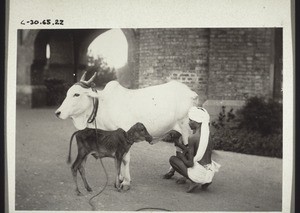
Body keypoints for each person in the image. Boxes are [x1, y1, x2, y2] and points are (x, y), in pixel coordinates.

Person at [169, 106, 220, 193]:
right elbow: (197, 151)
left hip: (199, 174)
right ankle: (206, 182)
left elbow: (190, 163)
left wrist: (181, 156)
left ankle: (194, 181)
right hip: (209, 172)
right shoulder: (207, 135)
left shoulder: (192, 137)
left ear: (197, 122)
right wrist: (179, 145)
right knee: (186, 154)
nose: (189, 123)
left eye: (190, 120)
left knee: (173, 159)